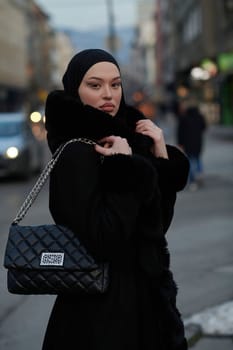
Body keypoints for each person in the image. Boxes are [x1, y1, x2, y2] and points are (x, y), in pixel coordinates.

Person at [42, 49, 189, 350]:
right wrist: (125, 168)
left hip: (145, 304)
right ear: (75, 89)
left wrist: (159, 155)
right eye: (94, 85)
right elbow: (103, 240)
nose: (108, 94)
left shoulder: (126, 144)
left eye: (116, 84)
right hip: (99, 314)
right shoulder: (76, 153)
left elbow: (156, 228)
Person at [176, 98, 206, 190]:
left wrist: (180, 143)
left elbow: (180, 132)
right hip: (198, 142)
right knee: (197, 158)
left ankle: (193, 181)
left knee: (191, 161)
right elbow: (203, 127)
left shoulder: (183, 117)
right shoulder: (200, 116)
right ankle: (200, 173)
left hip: (187, 143)